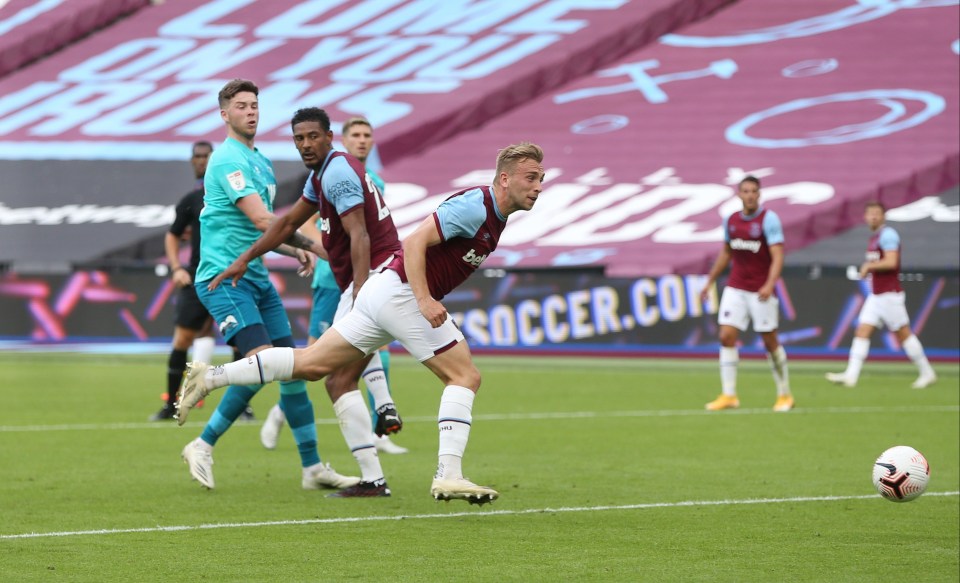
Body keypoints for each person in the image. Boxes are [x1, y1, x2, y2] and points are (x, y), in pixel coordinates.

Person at [177, 141, 547, 505]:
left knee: (311, 365)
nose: (538, 186)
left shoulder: (494, 215)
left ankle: (210, 377)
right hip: (400, 292)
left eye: (540, 178)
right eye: (530, 177)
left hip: (380, 291)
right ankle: (448, 474)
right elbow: (416, 242)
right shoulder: (476, 205)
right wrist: (423, 298)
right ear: (503, 179)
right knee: (464, 376)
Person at [178, 79, 358, 492]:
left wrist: (295, 249)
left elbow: (271, 227)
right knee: (264, 364)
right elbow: (264, 221)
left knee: (293, 372)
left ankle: (312, 469)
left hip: (255, 278)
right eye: (241, 106)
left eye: (255, 105)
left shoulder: (260, 161)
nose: (251, 111)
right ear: (225, 115)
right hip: (224, 278)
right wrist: (317, 246)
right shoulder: (227, 161)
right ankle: (203, 437)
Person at [259, 116, 409, 456]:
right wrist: (319, 250)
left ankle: (382, 420)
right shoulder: (324, 175)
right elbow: (312, 223)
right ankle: (281, 411)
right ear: (340, 139)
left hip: (365, 278)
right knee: (315, 358)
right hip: (332, 281)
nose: (361, 140)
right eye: (354, 135)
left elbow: (367, 230)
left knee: (371, 346)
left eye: (367, 135)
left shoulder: (374, 181)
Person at [150, 141, 255, 423]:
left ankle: (240, 406)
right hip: (198, 277)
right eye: (196, 156)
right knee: (183, 339)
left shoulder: (236, 194)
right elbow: (173, 235)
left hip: (231, 278)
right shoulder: (191, 199)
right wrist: (176, 268)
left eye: (206, 156)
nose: (200, 161)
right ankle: (172, 405)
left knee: (238, 342)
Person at [699, 176, 794, 412]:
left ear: (759, 194)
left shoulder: (768, 220)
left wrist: (770, 284)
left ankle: (784, 394)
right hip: (736, 287)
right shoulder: (731, 221)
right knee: (726, 336)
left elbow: (778, 255)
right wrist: (709, 280)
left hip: (760, 290)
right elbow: (726, 253)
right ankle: (729, 395)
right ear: (739, 194)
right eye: (745, 191)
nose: (750, 195)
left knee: (769, 340)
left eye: (754, 191)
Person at [826, 202, 937, 389]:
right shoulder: (875, 238)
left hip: (889, 295)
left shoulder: (888, 235)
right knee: (862, 331)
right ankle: (851, 376)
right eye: (870, 214)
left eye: (877, 214)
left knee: (903, 334)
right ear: (865, 217)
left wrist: (869, 266)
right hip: (876, 295)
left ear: (884, 216)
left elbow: (892, 261)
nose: (873, 217)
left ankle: (927, 372)